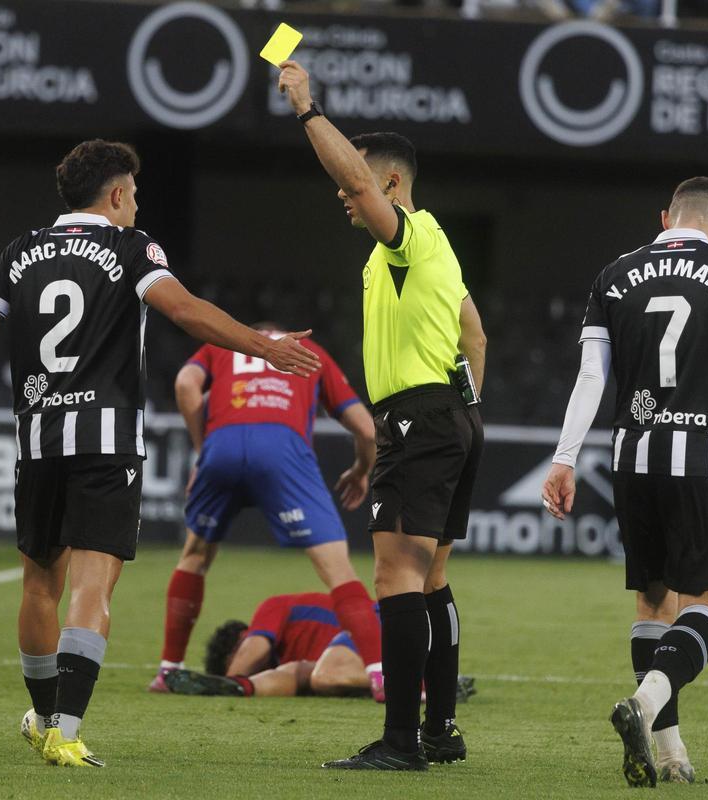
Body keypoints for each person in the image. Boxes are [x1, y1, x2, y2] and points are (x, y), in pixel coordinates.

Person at [0, 139, 320, 768]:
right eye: (135, 192)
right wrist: (262, 347)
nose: (137, 202)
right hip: (106, 442)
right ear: (119, 194)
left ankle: (45, 717)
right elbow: (184, 310)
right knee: (93, 587)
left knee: (39, 583)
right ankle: (67, 733)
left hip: (38, 441)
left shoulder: (20, 253)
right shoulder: (131, 248)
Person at [542, 177, 708, 787]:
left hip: (632, 459)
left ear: (665, 219)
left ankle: (670, 755)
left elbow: (590, 377)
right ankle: (645, 703)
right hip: (705, 462)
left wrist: (564, 458)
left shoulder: (614, 273)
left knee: (653, 600)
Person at [277, 61, 488, 771]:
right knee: (430, 580)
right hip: (452, 414)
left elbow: (360, 183)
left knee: (394, 578)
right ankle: (440, 730)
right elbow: (476, 336)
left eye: (355, 181)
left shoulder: (402, 240)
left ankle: (401, 742)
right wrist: (466, 418)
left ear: (390, 184)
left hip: (418, 417)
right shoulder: (436, 248)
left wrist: (308, 109)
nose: (345, 192)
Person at [149, 328, 382, 698]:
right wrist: (361, 469)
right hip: (282, 448)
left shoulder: (222, 344)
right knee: (337, 568)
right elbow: (368, 431)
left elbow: (184, 384)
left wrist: (202, 450)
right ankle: (379, 674)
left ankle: (168, 669)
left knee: (194, 556)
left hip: (221, 445)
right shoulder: (310, 350)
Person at [163, 594, 477, 714]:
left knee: (323, 677)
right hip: (353, 653)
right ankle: (239, 689)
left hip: (375, 625)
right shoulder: (289, 656)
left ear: (239, 640)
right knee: (304, 674)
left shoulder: (270, 609)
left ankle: (430, 686)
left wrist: (228, 673)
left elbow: (255, 647)